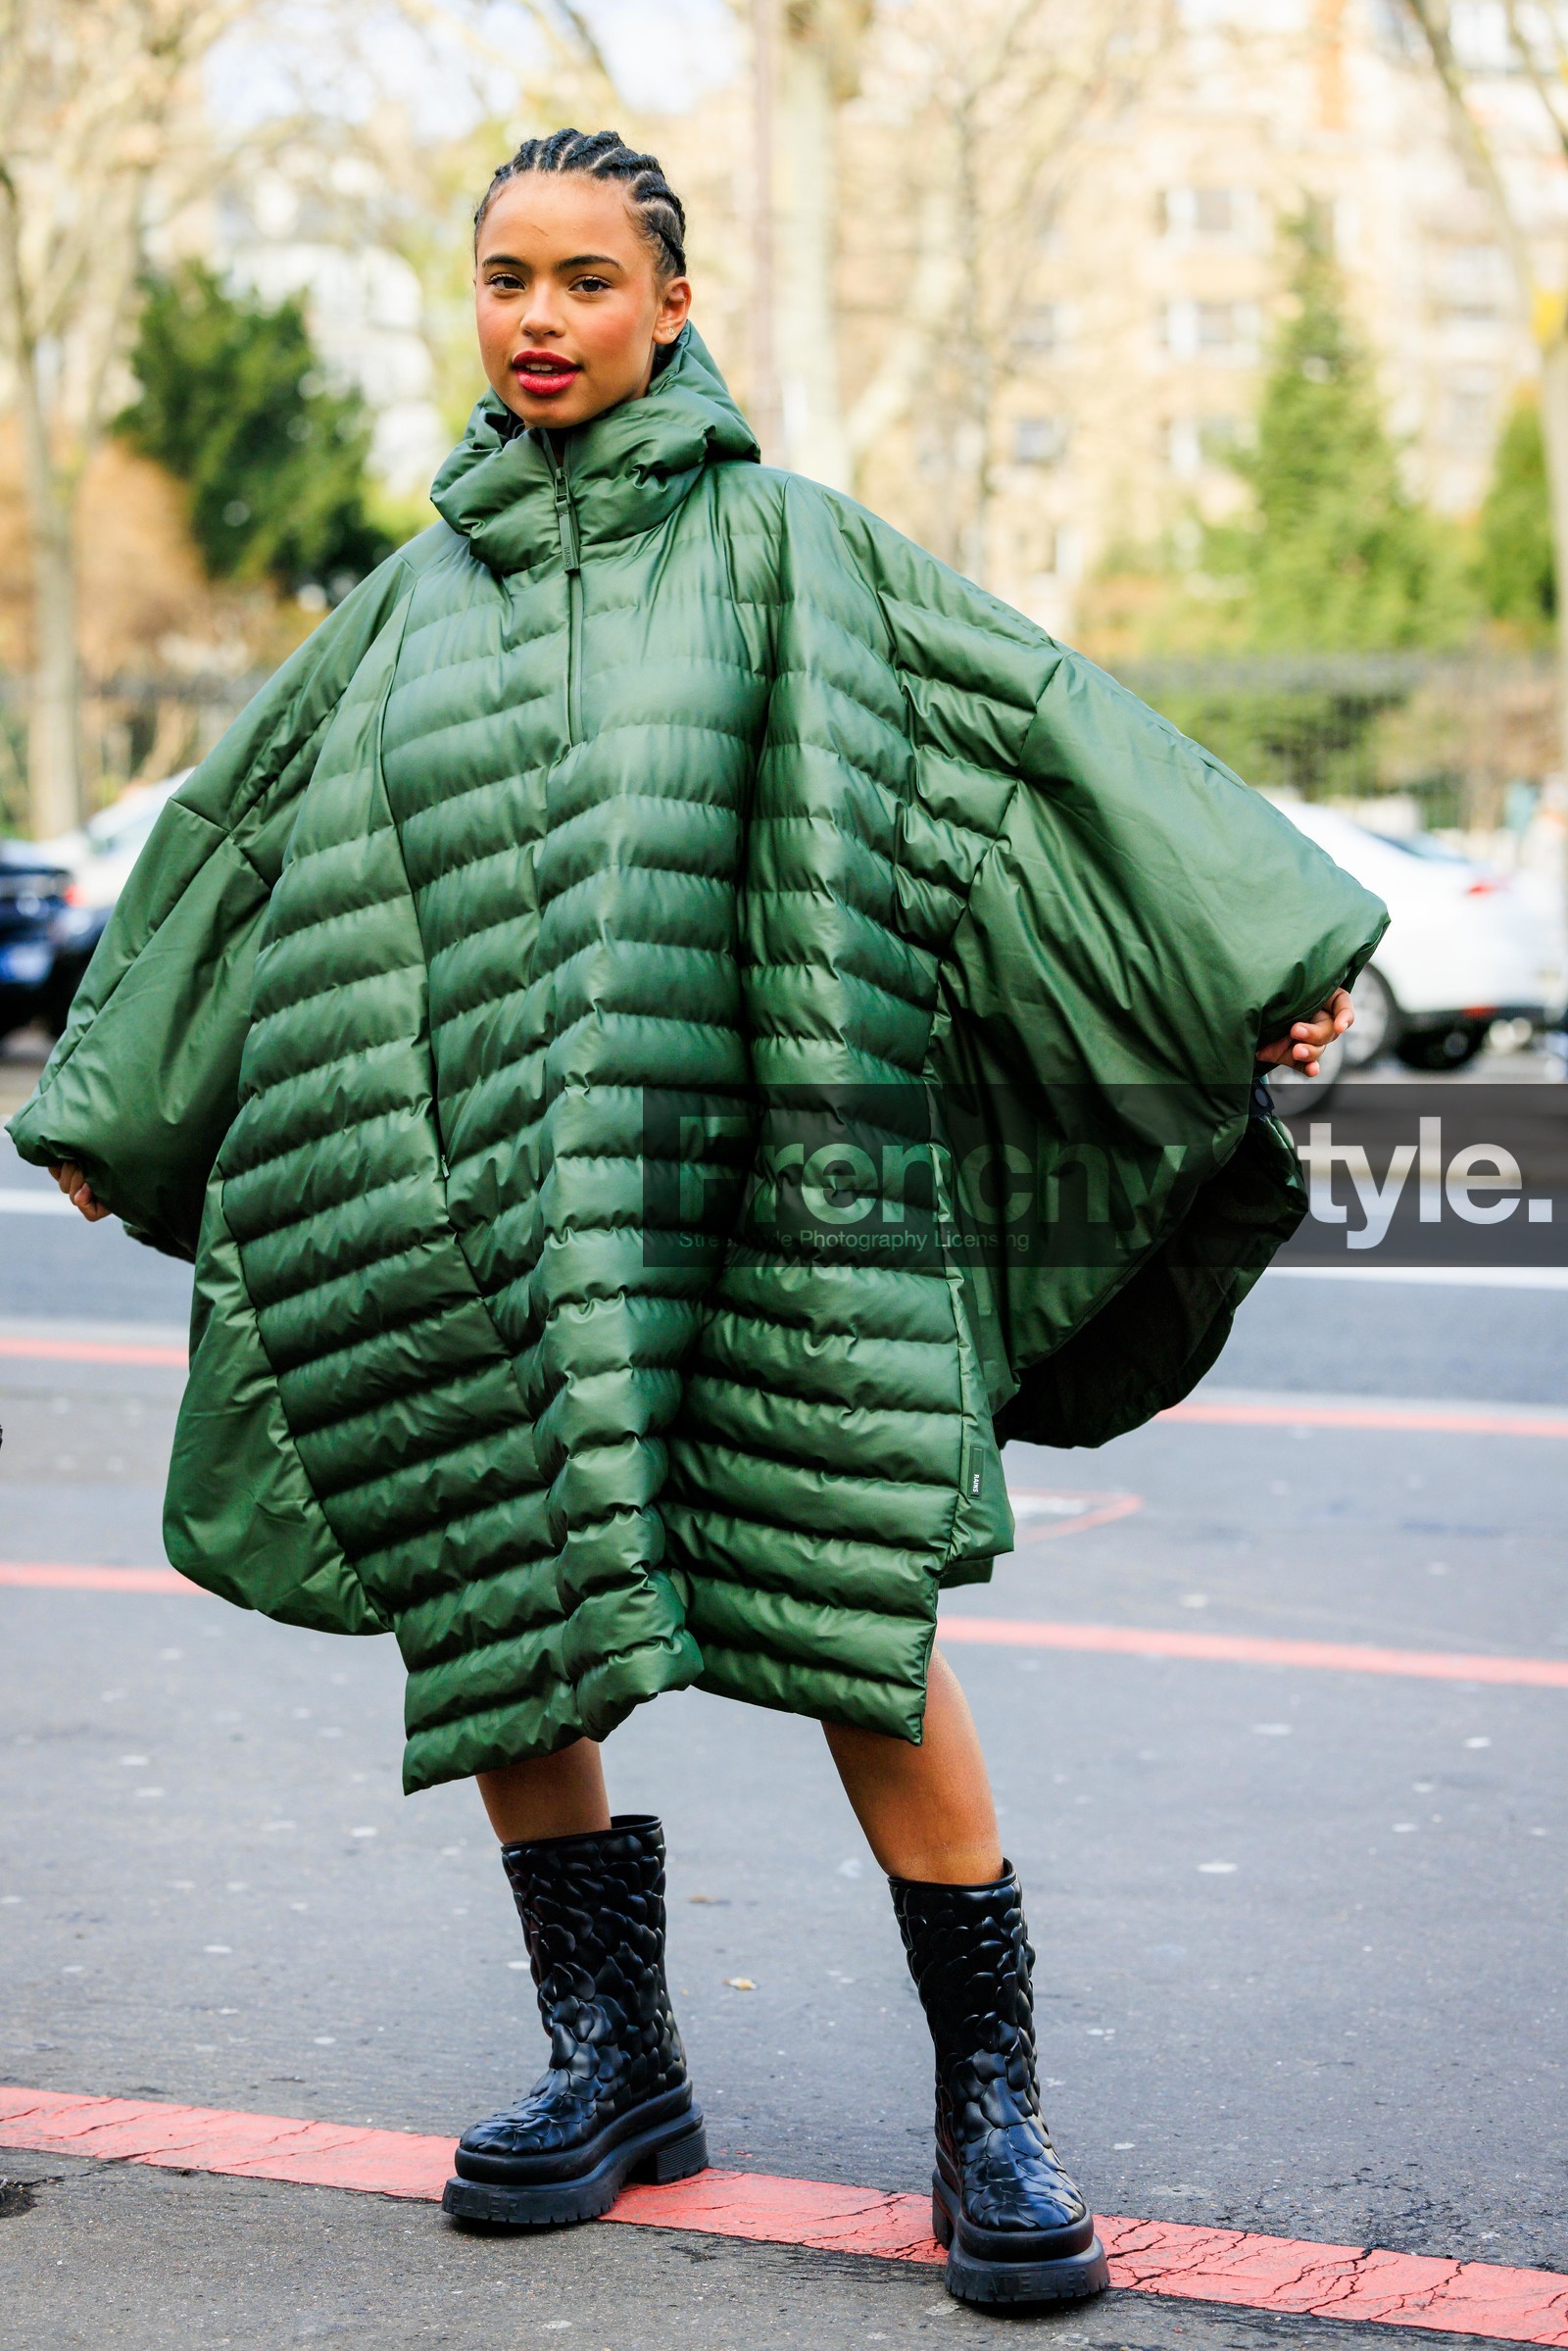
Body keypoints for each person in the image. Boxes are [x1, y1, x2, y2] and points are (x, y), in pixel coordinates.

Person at [14, 129, 1380, 2311]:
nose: (536, 317)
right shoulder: (402, 601)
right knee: (505, 1595)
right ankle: (610, 2063)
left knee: (850, 1596)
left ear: (669, 302)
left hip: (757, 1188)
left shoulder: (791, 550)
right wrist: (119, 1093)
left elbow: (1029, 737)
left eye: (579, 279)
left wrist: (1255, 952)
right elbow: (239, 846)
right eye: (499, 280)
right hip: (472, 1189)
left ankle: (988, 2112)